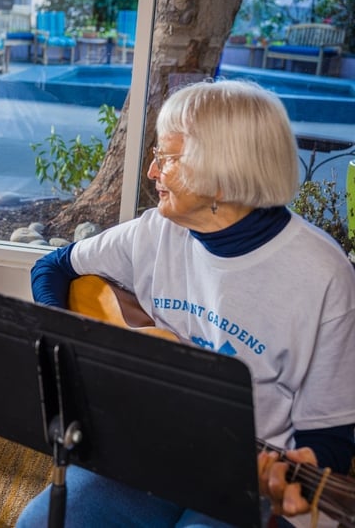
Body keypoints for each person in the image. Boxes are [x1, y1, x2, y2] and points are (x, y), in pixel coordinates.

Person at [18, 80, 355, 528]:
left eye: (167, 159)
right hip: (146, 445)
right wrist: (75, 347)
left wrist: (292, 475)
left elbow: (330, 438)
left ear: (221, 172)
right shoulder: (154, 231)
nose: (152, 173)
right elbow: (53, 267)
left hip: (244, 480)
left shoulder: (323, 276)